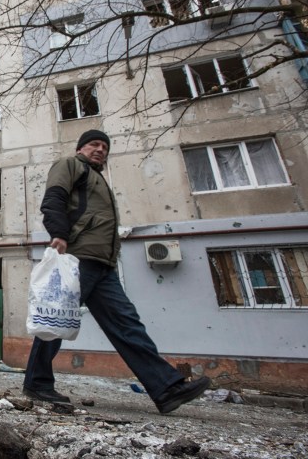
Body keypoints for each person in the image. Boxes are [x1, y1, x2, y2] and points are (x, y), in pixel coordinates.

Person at [23, 129, 210, 414]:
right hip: (80, 258)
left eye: (105, 146)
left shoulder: (99, 179)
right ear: (81, 148)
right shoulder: (70, 165)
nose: (101, 149)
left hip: (104, 265)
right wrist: (59, 233)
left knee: (127, 324)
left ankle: (166, 388)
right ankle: (37, 383)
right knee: (56, 320)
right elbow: (54, 198)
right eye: (94, 144)